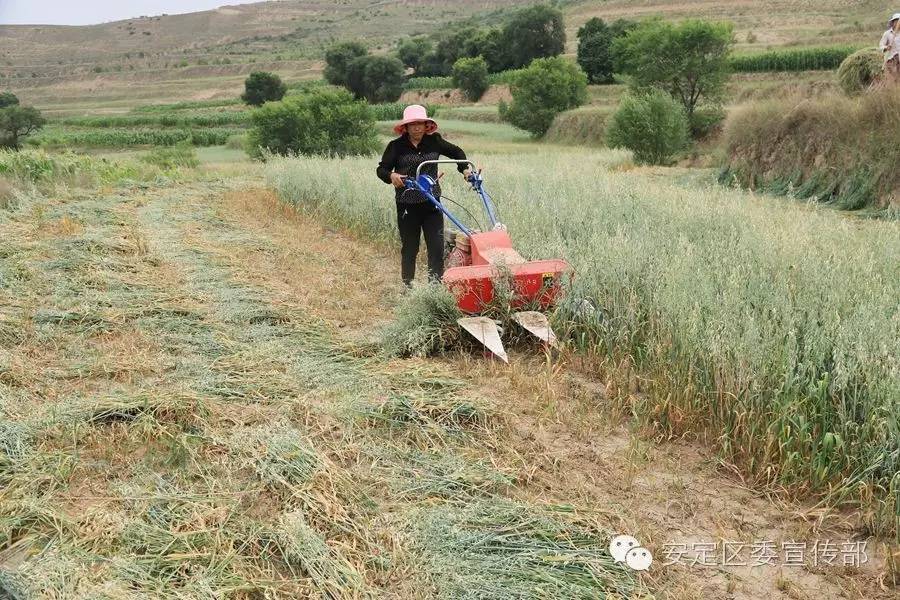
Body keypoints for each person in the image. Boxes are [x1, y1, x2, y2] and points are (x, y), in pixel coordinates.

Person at [376, 104, 473, 287]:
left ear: (426, 125)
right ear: (405, 127)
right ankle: (408, 286)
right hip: (407, 204)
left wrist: (466, 170)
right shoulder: (396, 146)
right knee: (410, 248)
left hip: (432, 203)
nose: (417, 127)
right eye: (412, 124)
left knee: (436, 248)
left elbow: (457, 153)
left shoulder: (434, 141)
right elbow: (382, 169)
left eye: (420, 123)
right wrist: (392, 176)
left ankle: (434, 288)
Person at [880, 13, 900, 80]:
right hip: (891, 59)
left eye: (899, 21)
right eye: (896, 21)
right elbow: (881, 45)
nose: (898, 23)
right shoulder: (887, 34)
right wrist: (886, 47)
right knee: (893, 78)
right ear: (893, 22)